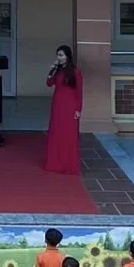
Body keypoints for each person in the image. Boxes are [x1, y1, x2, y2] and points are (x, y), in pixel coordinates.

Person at [42, 44, 82, 176]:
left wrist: (78, 110)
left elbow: (79, 92)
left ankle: (68, 164)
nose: (59, 58)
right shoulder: (58, 71)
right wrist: (52, 70)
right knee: (56, 133)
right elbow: (49, 84)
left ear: (67, 56)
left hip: (70, 107)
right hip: (57, 105)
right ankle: (55, 163)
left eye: (61, 55)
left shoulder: (75, 72)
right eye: (58, 55)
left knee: (68, 135)